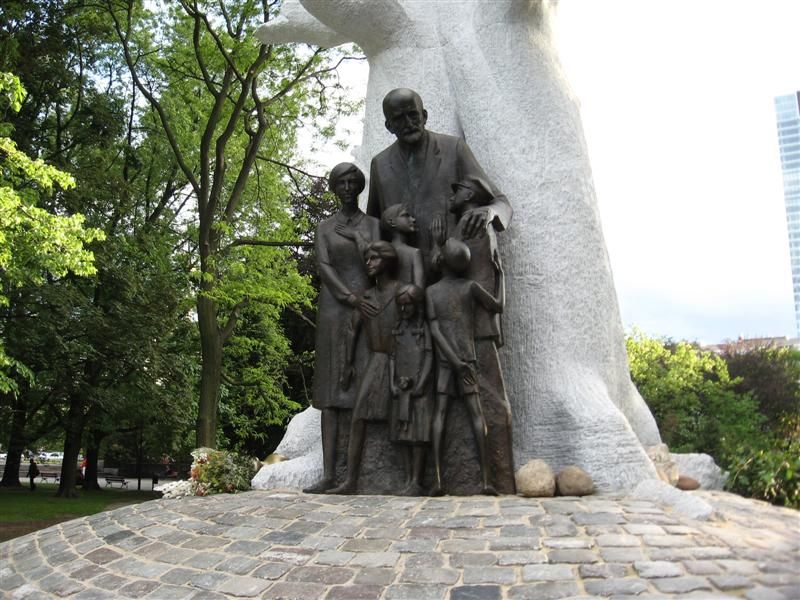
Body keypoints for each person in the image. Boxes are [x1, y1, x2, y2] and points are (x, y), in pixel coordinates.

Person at [367, 88, 512, 281]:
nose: (408, 123)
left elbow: (500, 202)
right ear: (389, 126)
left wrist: (490, 212)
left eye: (413, 115)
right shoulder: (380, 164)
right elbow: (373, 224)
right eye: (399, 119)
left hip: (453, 273)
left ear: (424, 116)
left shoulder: (453, 148)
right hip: (406, 282)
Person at [432, 176, 516, 493]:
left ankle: (499, 478)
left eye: (457, 191)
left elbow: (473, 278)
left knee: (491, 401)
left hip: (475, 332)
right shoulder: (465, 227)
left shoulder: (476, 226)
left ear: (468, 194)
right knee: (476, 404)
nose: (451, 196)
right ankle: (489, 479)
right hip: (463, 334)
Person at [305, 163, 381, 494]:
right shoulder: (324, 228)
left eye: (353, 181)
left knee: (360, 391)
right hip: (336, 310)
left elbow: (380, 260)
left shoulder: (373, 226)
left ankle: (355, 474)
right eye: (341, 182)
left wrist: (360, 240)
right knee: (330, 394)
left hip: (368, 309)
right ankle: (327, 474)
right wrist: (349, 297)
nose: (348, 187)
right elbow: (324, 266)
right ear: (334, 188)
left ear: (360, 186)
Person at [426, 238, 505, 496]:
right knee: (475, 416)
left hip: (448, 362)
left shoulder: (432, 292)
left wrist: (454, 361)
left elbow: (436, 331)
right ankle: (485, 481)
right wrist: (500, 274)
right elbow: (497, 305)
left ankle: (437, 480)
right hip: (466, 361)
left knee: (440, 415)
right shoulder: (470, 287)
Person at [329, 241, 400, 494]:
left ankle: (414, 477)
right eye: (367, 259)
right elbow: (352, 331)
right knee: (359, 416)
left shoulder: (401, 292)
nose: (368, 264)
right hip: (376, 360)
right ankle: (350, 481)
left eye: (374, 259)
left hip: (401, 360)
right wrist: (347, 364)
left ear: (387, 261)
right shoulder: (367, 298)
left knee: (406, 414)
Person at [389, 284, 433, 496]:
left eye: (408, 305)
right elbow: (392, 358)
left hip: (419, 391)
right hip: (400, 388)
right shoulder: (397, 330)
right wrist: (392, 383)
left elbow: (429, 358)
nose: (404, 310)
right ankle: (407, 479)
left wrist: (422, 384)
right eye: (401, 306)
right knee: (403, 435)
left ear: (417, 306)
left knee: (418, 436)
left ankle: (417, 479)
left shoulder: (423, 331)